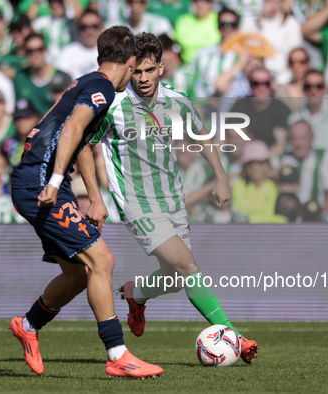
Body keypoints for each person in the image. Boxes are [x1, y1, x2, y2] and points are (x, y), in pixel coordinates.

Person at [81, 33, 259, 364]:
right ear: (130, 69)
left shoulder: (178, 101)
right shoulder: (113, 106)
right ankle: (233, 335)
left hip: (172, 200)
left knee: (176, 277)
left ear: (162, 67)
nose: (143, 78)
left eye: (150, 70)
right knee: (189, 266)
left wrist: (220, 177)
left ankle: (137, 294)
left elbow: (201, 135)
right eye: (137, 72)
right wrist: (95, 197)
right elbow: (83, 144)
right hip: (136, 204)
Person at [9, 26, 163, 378]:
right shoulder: (103, 88)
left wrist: (95, 199)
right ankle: (117, 354)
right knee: (103, 260)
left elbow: (84, 143)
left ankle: (28, 326)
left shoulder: (88, 82)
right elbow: (72, 130)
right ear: (131, 61)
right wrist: (56, 181)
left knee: (79, 273)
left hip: (40, 182)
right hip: (39, 183)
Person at [278, 120, 328, 213]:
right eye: (294, 138)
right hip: (288, 220)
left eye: (303, 138)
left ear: (312, 138)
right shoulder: (282, 160)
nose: (299, 143)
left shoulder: (325, 157)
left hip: (315, 218)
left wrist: (322, 217)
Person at [192, 7, 252, 101]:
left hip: (237, 105)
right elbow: (194, 82)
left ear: (238, 27)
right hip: (207, 105)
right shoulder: (203, 54)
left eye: (232, 24)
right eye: (223, 24)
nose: (227, 28)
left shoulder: (248, 54)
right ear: (217, 26)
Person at [240, 0, 303, 85]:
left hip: (284, 78)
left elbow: (293, 53)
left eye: (277, 2)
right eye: (269, 2)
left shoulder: (291, 23)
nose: (273, 6)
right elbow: (246, 39)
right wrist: (259, 15)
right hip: (261, 78)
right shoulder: (257, 21)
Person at [231, 67, 290, 158]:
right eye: (256, 83)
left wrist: (257, 163)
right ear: (250, 84)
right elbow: (226, 137)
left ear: (272, 85)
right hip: (241, 158)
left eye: (266, 83)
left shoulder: (281, 109)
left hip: (269, 160)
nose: (261, 88)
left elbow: (280, 146)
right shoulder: (240, 106)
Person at [14, 33, 73, 116]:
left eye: (39, 49)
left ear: (46, 50)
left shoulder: (64, 78)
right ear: (25, 53)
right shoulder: (20, 78)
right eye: (30, 51)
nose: (35, 54)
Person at [231, 140, 280, 222]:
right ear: (245, 166)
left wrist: (248, 219)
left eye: (259, 162)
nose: (254, 166)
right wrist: (225, 177)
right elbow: (211, 187)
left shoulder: (276, 186)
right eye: (250, 163)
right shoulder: (238, 185)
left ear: (266, 164)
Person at [55, 10, 103, 79]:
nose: (89, 31)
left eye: (94, 26)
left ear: (101, 27)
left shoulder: (109, 51)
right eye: (84, 27)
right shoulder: (67, 52)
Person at [2, 99, 39, 166]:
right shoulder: (8, 144)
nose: (21, 122)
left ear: (35, 118)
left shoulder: (43, 143)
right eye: (18, 117)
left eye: (26, 117)